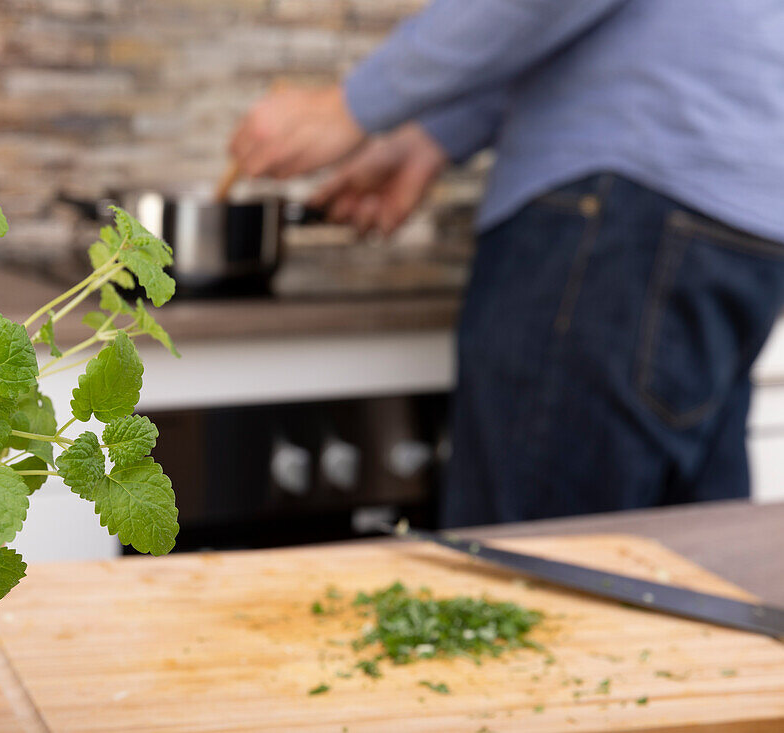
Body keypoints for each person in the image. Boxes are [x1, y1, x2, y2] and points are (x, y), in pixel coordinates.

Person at [228, 0, 784, 527]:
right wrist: (434, 136)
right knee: (681, 577)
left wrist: (348, 105)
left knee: (529, 585)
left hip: (622, 214)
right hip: (737, 218)